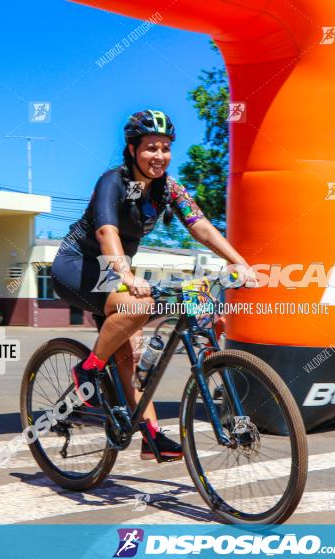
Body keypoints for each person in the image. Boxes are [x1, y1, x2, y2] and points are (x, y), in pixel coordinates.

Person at [50, 109, 257, 462]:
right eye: (150, 148)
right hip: (77, 266)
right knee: (139, 307)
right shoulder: (112, 182)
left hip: (112, 273)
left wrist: (238, 261)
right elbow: (106, 232)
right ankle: (87, 369)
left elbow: (200, 226)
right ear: (132, 150)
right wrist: (126, 276)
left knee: (131, 352)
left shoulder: (168, 188)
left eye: (164, 148)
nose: (159, 156)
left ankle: (149, 437)